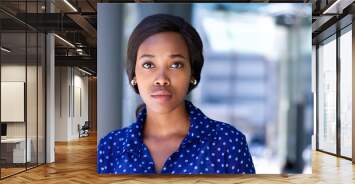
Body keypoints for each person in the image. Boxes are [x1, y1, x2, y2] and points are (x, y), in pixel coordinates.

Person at [97, 14, 255, 174]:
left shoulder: (228, 143)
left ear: (192, 73)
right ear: (134, 75)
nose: (161, 79)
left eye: (175, 64)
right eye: (148, 64)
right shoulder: (110, 148)